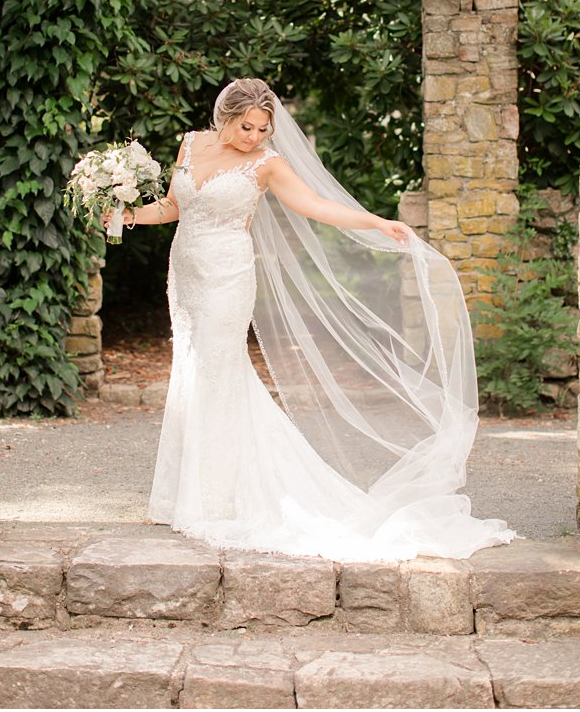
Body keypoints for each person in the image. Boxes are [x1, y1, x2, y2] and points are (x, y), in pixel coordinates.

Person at [111, 78, 515, 562]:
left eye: (263, 128)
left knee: (221, 373)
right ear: (224, 118)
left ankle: (217, 501)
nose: (254, 137)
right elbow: (175, 207)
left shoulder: (267, 165)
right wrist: (123, 214)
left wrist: (377, 222)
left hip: (228, 276)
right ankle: (185, 494)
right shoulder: (190, 144)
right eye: (246, 127)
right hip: (186, 275)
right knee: (194, 373)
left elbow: (316, 206)